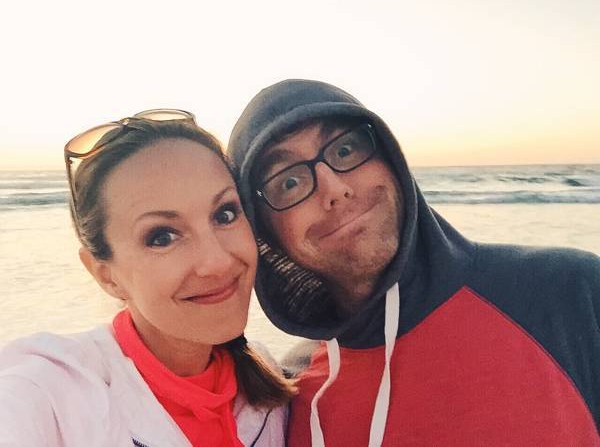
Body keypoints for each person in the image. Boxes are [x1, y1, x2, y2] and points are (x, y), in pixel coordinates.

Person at [228, 80, 600, 446]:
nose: (334, 189)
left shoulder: (569, 297)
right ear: (267, 235)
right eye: (288, 182)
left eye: (345, 151)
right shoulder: (289, 397)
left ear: (390, 158)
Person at [0, 110, 295, 447]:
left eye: (224, 214)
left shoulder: (267, 388)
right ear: (105, 275)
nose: (216, 262)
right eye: (162, 237)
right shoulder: (54, 392)